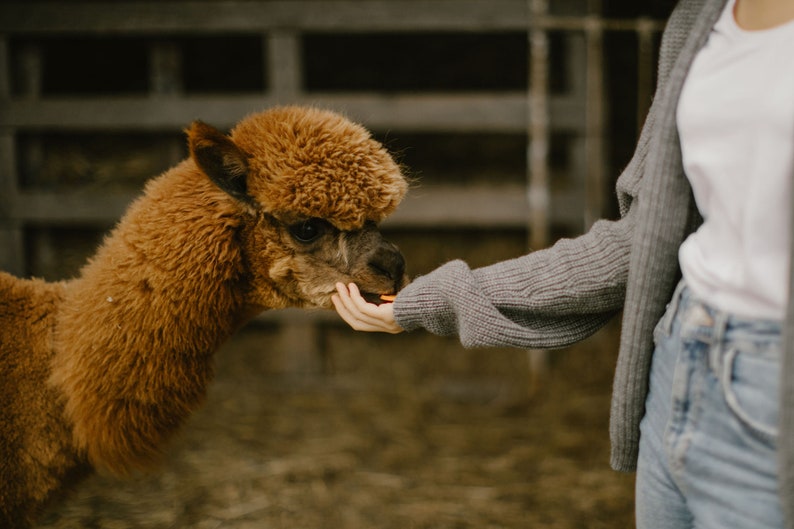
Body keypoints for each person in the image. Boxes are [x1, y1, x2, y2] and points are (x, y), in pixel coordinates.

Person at [331, 0, 794, 527]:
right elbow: (636, 243)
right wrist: (434, 299)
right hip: (677, 358)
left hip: (774, 381)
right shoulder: (699, 19)